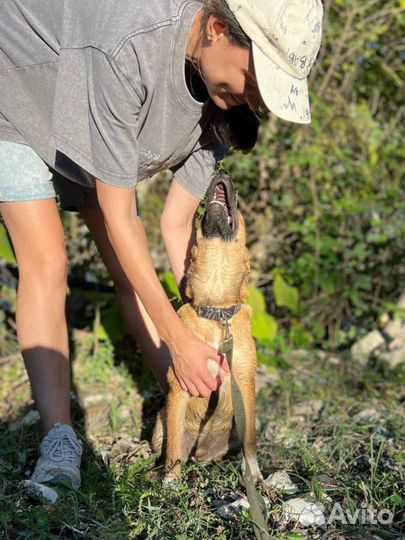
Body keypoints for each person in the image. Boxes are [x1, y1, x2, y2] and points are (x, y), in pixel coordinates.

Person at [0, 0, 323, 490]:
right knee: (48, 260)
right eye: (255, 82)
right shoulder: (131, 49)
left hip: (89, 100)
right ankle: (59, 437)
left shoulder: (221, 100)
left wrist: (202, 332)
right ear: (218, 30)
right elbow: (120, 217)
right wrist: (178, 340)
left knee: (134, 275)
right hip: (19, 86)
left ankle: (177, 394)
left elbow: (175, 224)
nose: (254, 101)